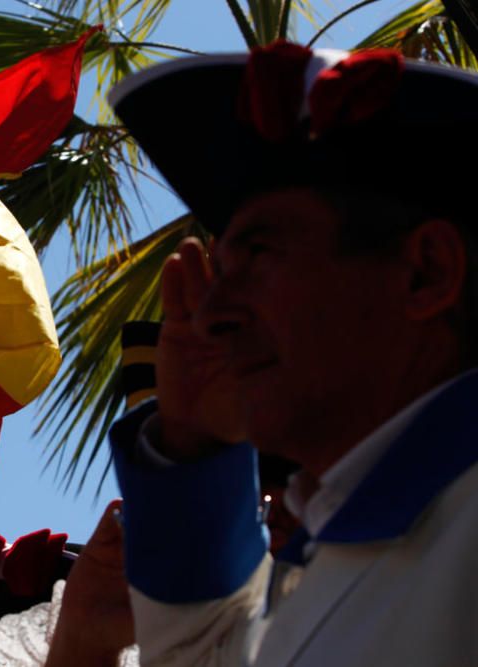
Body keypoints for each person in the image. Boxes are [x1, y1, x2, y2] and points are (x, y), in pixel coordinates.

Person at [98, 41, 478, 666]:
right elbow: (207, 654)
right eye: (220, 269)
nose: (212, 313)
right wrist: (191, 447)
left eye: (262, 254)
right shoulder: (353, 549)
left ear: (425, 274)